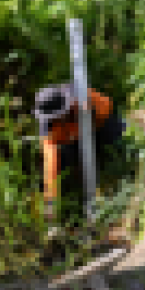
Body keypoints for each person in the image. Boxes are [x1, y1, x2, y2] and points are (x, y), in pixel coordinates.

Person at [35, 82, 127, 215]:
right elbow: (50, 164)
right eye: (54, 118)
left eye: (60, 115)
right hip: (72, 138)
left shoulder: (85, 99)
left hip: (100, 125)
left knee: (114, 142)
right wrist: (51, 201)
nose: (58, 119)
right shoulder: (48, 129)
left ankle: (118, 172)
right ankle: (77, 194)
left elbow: (106, 110)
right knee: (64, 157)